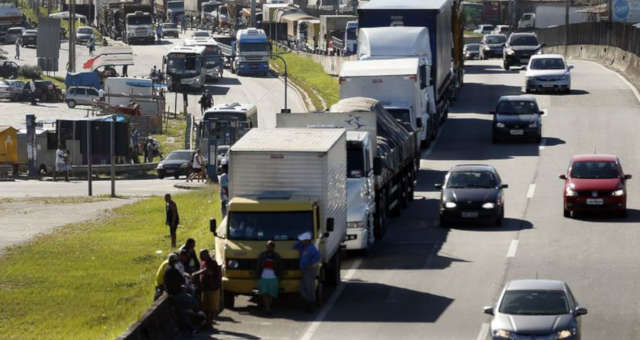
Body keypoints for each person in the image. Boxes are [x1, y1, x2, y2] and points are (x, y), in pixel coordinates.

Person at [192, 249, 222, 326]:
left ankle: (210, 321)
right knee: (205, 305)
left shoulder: (212, 262)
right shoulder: (203, 262)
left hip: (212, 287)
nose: (200, 257)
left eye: (202, 255)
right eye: (200, 255)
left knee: (212, 307)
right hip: (205, 287)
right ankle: (208, 321)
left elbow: (207, 271)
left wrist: (195, 274)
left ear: (206, 255)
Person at [293, 232, 320, 312]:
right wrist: (300, 242)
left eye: (302, 240)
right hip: (304, 270)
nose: (301, 241)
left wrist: (312, 264)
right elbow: (294, 246)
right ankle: (309, 303)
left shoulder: (311, 248)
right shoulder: (303, 247)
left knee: (309, 288)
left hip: (309, 269)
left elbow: (317, 256)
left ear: (307, 240)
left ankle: (311, 305)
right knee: (303, 288)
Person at [256, 241, 283, 315]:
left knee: (271, 294)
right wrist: (258, 275)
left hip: (273, 277)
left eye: (270, 246)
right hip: (263, 277)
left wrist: (279, 277)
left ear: (273, 247)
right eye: (267, 246)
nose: (268, 247)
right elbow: (258, 265)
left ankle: (268, 307)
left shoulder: (277, 256)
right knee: (264, 293)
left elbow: (280, 267)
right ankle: (267, 309)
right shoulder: (262, 255)